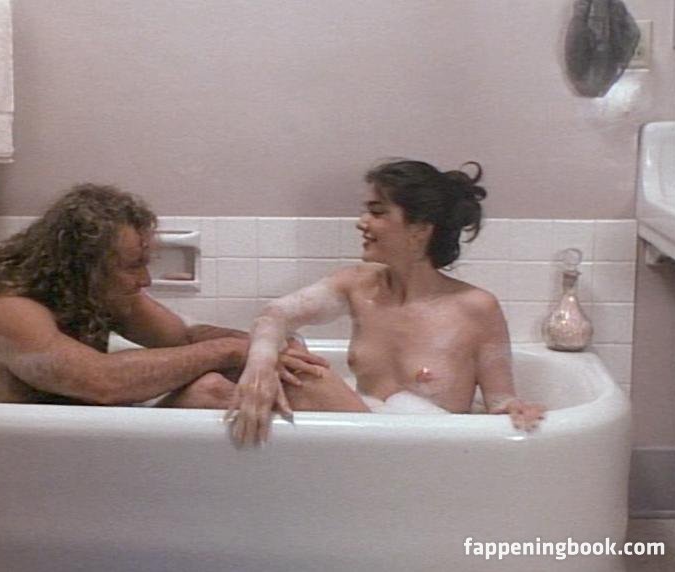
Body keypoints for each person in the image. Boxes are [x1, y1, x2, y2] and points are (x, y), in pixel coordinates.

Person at [226, 159, 546, 446]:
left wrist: (516, 410)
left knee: (306, 378)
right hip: (361, 449)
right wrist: (261, 364)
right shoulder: (356, 285)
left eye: (378, 212)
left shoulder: (475, 308)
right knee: (225, 382)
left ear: (419, 229)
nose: (362, 222)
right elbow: (275, 315)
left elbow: (500, 404)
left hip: (429, 455)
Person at [0, 184, 326, 406]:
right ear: (83, 266)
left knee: (222, 383)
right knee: (211, 391)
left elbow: (183, 338)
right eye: (132, 266)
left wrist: (263, 345)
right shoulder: (9, 312)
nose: (145, 279)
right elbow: (102, 382)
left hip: (85, 446)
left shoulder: (96, 294)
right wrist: (230, 349)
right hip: (30, 464)